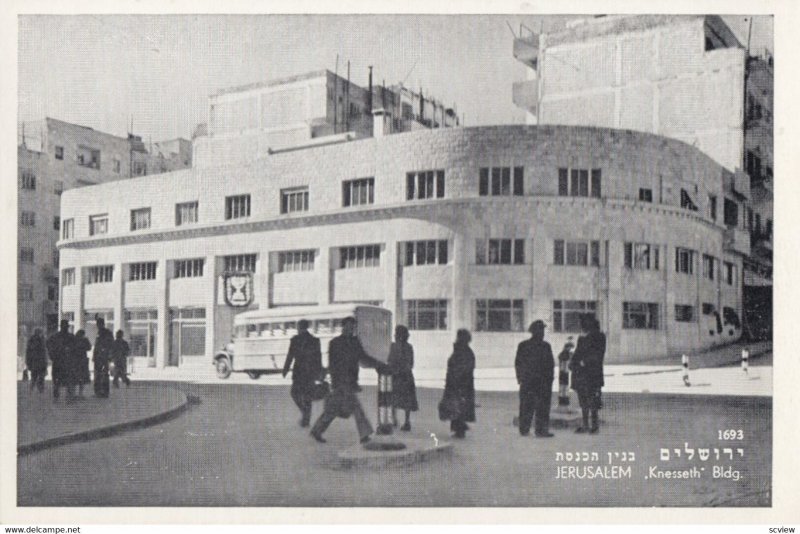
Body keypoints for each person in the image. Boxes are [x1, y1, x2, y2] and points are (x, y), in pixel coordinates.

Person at [310, 316, 386, 444]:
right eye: (348, 327)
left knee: (332, 410)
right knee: (356, 408)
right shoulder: (335, 343)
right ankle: (364, 435)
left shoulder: (355, 342)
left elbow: (363, 357)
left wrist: (378, 364)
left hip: (349, 381)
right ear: (343, 327)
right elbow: (332, 364)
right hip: (341, 382)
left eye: (353, 327)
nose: (351, 329)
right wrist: (334, 382)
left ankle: (317, 430)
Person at [515, 320, 555, 437]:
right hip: (536, 381)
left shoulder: (541, 346)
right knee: (534, 406)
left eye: (542, 330)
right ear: (534, 332)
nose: (542, 333)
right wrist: (520, 378)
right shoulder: (542, 346)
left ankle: (528, 429)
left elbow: (550, 365)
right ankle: (537, 430)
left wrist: (520, 378)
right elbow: (519, 363)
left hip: (534, 381)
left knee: (530, 405)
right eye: (540, 330)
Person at [282, 319, 323, 427]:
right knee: (307, 396)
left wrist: (285, 369)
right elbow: (318, 357)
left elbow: (290, 356)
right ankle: (306, 418)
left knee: (294, 393)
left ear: (299, 328)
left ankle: (304, 413)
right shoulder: (315, 340)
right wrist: (319, 372)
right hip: (310, 372)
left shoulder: (295, 340)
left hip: (299, 372)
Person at [570, 315, 607, 434]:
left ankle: (594, 426)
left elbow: (598, 354)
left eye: (583, 323)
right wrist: (573, 362)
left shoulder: (599, 337)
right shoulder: (582, 338)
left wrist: (583, 362)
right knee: (583, 401)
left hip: (592, 373)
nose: (582, 326)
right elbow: (577, 352)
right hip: (581, 374)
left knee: (593, 401)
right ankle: (585, 425)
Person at [439, 329, 476, 439]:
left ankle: (460, 428)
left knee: (457, 405)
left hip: (458, 383)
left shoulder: (461, 351)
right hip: (463, 383)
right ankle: (460, 427)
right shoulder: (466, 351)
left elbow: (460, 368)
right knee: (458, 406)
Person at [388, 325, 419, 431]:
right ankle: (406, 421)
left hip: (397, 376)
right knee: (406, 400)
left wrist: (395, 369)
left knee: (394, 398)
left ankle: (394, 419)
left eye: (396, 333)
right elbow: (410, 363)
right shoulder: (409, 347)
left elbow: (390, 360)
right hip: (406, 376)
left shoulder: (393, 346)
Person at [47, 320, 76, 401]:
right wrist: (52, 355)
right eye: (65, 326)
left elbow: (75, 348)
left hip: (63, 361)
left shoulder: (58, 336)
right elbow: (48, 345)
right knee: (62, 379)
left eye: (65, 326)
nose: (65, 328)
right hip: (62, 361)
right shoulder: (68, 337)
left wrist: (52, 355)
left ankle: (62, 396)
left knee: (60, 379)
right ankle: (66, 396)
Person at [93, 318, 114, 398]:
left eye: (99, 324)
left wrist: (109, 355)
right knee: (97, 374)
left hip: (104, 357)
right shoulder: (100, 332)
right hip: (99, 357)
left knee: (104, 374)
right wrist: (94, 356)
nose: (98, 326)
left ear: (102, 324)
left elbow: (110, 345)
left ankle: (105, 392)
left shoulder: (107, 333)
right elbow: (97, 345)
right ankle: (98, 392)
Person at [25, 328, 47, 393]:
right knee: (36, 377)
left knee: (37, 377)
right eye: (40, 333)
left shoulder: (40, 340)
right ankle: (35, 390)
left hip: (38, 362)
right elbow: (29, 352)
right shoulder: (35, 340)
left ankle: (36, 390)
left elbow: (44, 352)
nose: (41, 334)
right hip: (37, 362)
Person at [73, 330, 92, 398]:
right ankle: (80, 393)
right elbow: (89, 348)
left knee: (76, 377)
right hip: (82, 360)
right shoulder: (84, 340)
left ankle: (75, 393)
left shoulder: (74, 339)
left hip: (76, 360)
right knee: (81, 377)